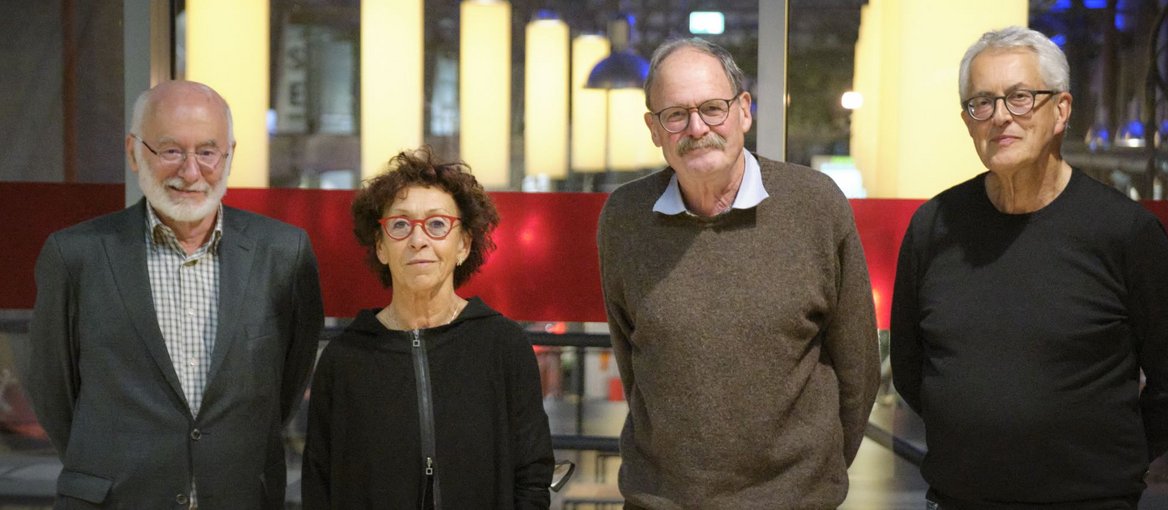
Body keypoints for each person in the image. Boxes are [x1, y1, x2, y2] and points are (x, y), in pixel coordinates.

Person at [890, 26, 1168, 509]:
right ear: (968, 121)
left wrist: (1116, 462)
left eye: (1019, 98)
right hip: (959, 498)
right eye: (982, 103)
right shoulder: (935, 226)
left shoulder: (1124, 232)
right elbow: (912, 369)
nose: (999, 117)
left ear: (1061, 111)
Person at [596, 38, 880, 508]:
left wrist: (810, 482)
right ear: (654, 128)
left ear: (744, 111)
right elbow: (633, 362)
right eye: (675, 115)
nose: (697, 127)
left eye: (713, 108)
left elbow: (858, 369)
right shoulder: (625, 217)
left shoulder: (815, 204)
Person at [17, 80, 324, 508]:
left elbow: (288, 381)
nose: (191, 171)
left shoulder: (285, 253)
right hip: (115, 500)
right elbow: (54, 389)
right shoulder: (75, 255)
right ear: (133, 152)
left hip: (241, 496)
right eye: (171, 151)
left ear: (230, 154)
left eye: (207, 151)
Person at [301, 147, 554, 509]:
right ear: (381, 246)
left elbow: (532, 474)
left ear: (464, 244)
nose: (418, 240)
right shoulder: (344, 360)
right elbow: (319, 484)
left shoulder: (502, 346)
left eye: (437, 224)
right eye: (400, 225)